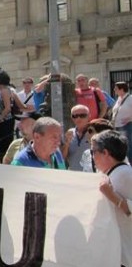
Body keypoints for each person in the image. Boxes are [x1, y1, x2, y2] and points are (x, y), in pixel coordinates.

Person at [91, 130, 132, 266]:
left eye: (93, 152)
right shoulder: (112, 173)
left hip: (125, 255)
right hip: (114, 254)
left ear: (106, 152)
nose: (92, 156)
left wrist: (112, 195)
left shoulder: (125, 174)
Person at [0, 69, 27, 160]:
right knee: (6, 144)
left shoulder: (4, 91)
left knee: (4, 146)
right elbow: (21, 106)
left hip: (4, 122)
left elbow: (7, 108)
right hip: (9, 121)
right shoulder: (11, 90)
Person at [62, 104, 91, 171]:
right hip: (74, 174)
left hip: (91, 175)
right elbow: (62, 158)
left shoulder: (94, 132)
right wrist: (66, 144)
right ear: (72, 118)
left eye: (82, 115)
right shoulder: (69, 133)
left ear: (89, 116)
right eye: (75, 116)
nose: (78, 118)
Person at [112, 81, 132, 161]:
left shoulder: (130, 98)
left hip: (127, 126)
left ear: (122, 89)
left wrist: (130, 119)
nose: (114, 90)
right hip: (117, 126)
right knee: (120, 147)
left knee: (128, 147)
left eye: (116, 88)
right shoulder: (119, 99)